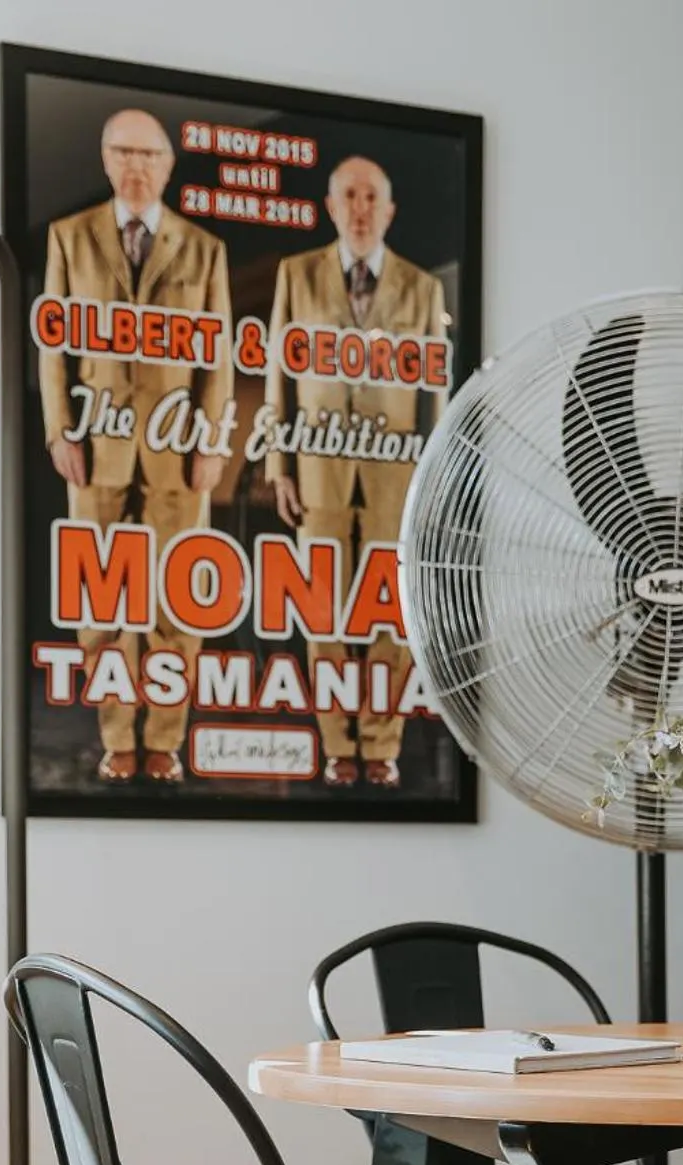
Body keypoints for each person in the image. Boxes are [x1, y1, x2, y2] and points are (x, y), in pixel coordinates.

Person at [40, 110, 233, 783]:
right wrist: (60, 427)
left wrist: (212, 440)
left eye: (149, 154)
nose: (136, 164)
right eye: (122, 150)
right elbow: (55, 343)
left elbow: (220, 356)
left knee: (178, 597)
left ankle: (166, 740)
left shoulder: (205, 248)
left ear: (169, 165)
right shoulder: (70, 237)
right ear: (104, 158)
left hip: (180, 444)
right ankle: (120, 737)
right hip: (96, 444)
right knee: (102, 596)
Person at [265, 156, 449, 788]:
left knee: (389, 618)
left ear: (389, 209)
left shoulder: (423, 288)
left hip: (396, 478)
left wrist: (434, 481)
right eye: (351, 195)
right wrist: (278, 462)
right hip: (316, 469)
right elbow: (278, 378)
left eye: (373, 196)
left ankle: (381, 745)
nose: (363, 207)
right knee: (324, 613)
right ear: (331, 205)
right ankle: (338, 745)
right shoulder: (296, 275)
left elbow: (435, 398)